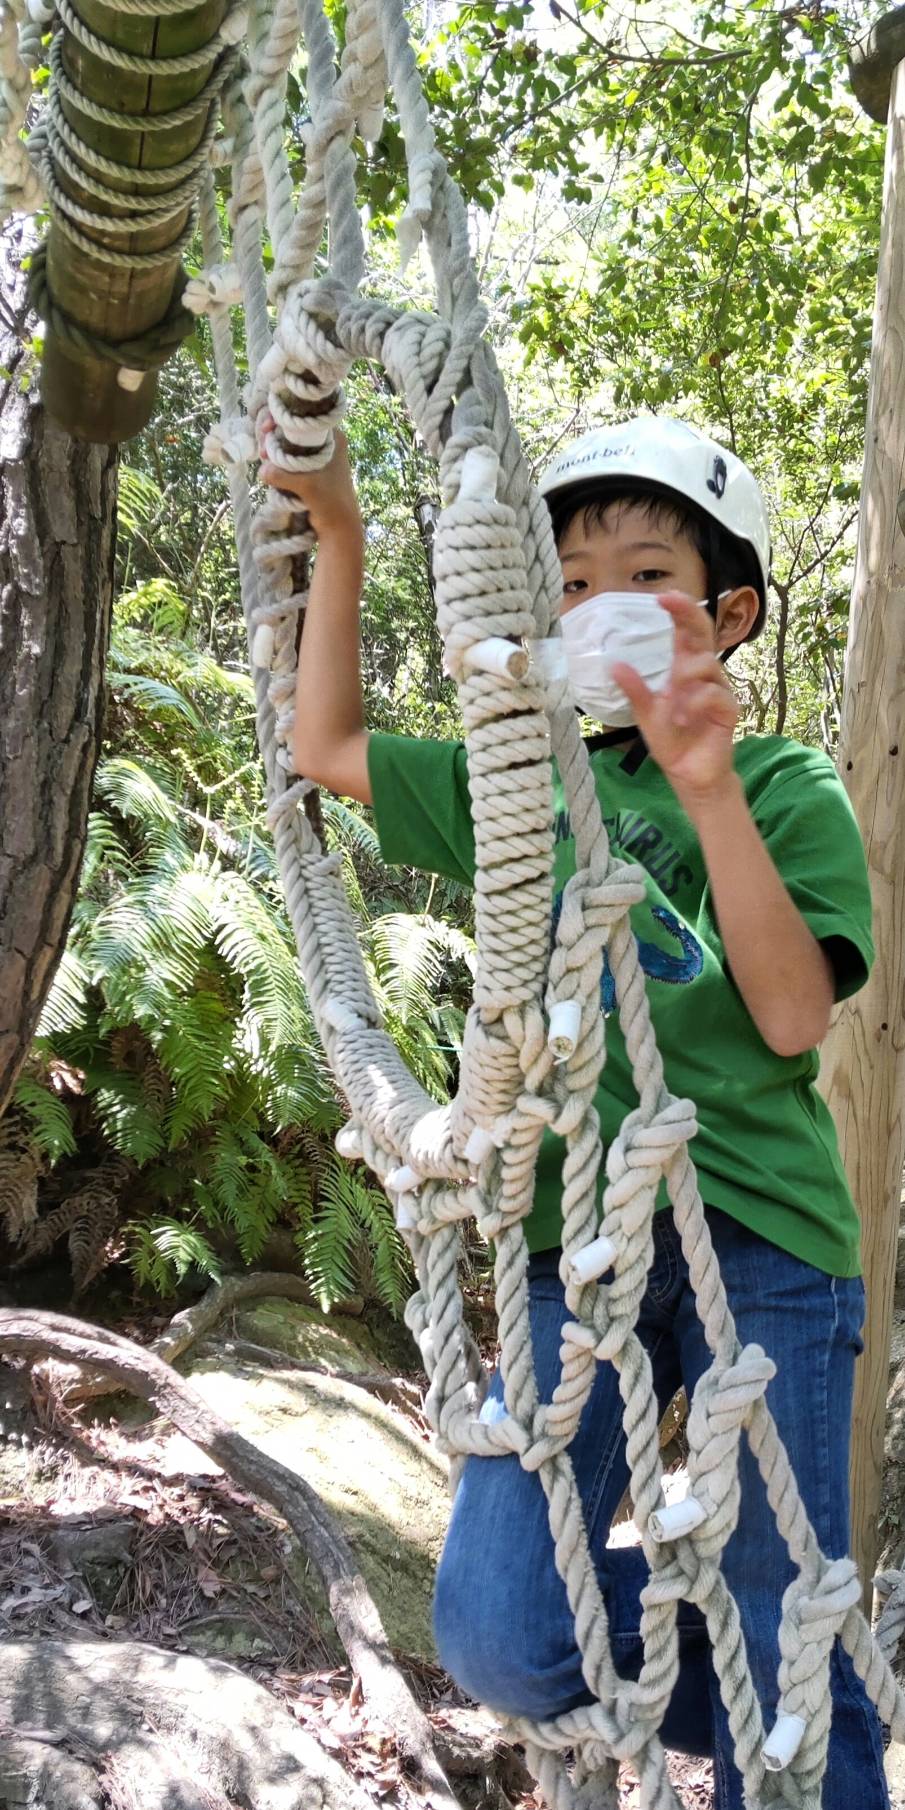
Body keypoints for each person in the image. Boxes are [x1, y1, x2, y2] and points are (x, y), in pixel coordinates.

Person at [259, 412, 887, 1807]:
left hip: (761, 1232)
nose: (603, 602)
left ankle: (794, 1677)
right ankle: (778, 1660)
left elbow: (793, 1015)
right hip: (576, 1234)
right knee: (500, 1631)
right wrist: (342, 531)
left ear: (728, 615)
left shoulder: (782, 784)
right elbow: (324, 742)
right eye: (576, 581)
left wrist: (705, 784)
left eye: (647, 575)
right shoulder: (524, 786)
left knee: (784, 1622)